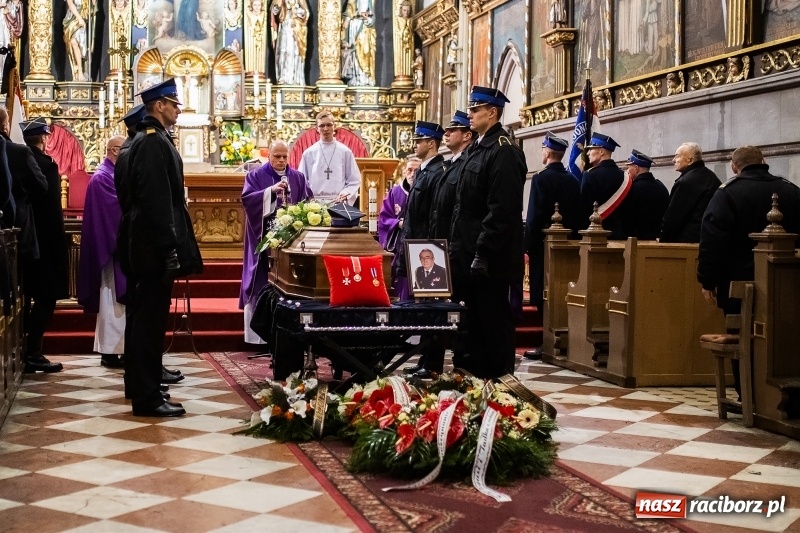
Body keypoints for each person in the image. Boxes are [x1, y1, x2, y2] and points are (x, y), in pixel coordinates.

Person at [117, 78, 203, 417]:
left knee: (143, 319)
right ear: (159, 106)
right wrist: (169, 247)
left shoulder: (141, 141)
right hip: (152, 247)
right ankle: (148, 396)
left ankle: (142, 385)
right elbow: (156, 201)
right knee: (149, 323)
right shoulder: (153, 143)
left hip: (142, 243)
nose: (179, 109)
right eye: (174, 103)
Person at [698, 145, 800, 400]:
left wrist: (707, 281)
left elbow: (712, 240)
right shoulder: (790, 190)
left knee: (741, 335)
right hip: (786, 283)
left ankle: (748, 393)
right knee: (784, 334)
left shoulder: (727, 194)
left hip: (738, 282)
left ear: (734, 166)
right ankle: (783, 396)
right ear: (764, 161)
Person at [450, 86, 527, 379]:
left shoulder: (504, 151)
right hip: (467, 253)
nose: (469, 114)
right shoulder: (478, 148)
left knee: (493, 323)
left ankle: (499, 384)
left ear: (492, 112)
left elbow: (501, 210)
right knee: (472, 325)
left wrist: (482, 253)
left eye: (475, 109)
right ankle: (474, 383)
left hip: (489, 260)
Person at [240, 139, 313, 344]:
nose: (281, 160)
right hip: (263, 237)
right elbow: (247, 200)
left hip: (292, 242)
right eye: (276, 156)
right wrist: (270, 192)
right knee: (261, 279)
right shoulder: (255, 176)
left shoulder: (297, 177)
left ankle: (287, 334)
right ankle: (258, 338)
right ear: (269, 155)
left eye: (284, 156)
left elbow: (308, 203)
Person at [524, 132, 581, 360]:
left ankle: (546, 341)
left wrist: (528, 244)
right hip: (568, 243)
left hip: (544, 244)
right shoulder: (573, 179)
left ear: (547, 153)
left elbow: (535, 214)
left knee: (542, 290)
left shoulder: (540, 178)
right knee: (563, 290)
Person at [21, 118, 68, 374]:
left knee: (28, 297)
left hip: (24, 242)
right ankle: (33, 352)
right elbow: (52, 213)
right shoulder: (46, 166)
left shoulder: (19, 160)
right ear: (45, 138)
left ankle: (26, 349)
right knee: (46, 298)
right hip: (44, 244)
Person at [77, 136, 128, 369]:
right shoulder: (102, 178)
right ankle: (110, 351)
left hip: (117, 250)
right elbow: (115, 211)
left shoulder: (112, 175)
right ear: (115, 151)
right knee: (112, 303)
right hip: (110, 253)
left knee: (119, 306)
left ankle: (120, 349)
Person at [660, 142, 721, 243]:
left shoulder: (686, 181)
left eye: (677, 156)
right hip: (707, 239)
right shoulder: (711, 177)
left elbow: (673, 218)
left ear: (690, 160)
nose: (673, 160)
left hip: (687, 243)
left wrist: (664, 241)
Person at [298, 110, 361, 205]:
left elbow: (354, 180)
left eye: (329, 125)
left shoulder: (345, 152)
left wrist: (345, 194)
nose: (326, 128)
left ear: (334, 126)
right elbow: (301, 180)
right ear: (317, 128)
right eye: (322, 126)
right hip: (314, 204)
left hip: (338, 202)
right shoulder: (309, 153)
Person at [378, 157, 419, 300]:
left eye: (416, 170)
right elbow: (384, 218)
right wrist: (397, 223)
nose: (412, 173)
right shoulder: (395, 192)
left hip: (418, 242)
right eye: (409, 169)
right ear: (403, 172)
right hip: (398, 243)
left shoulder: (424, 189)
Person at [429, 111, 473, 242]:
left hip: (456, 241)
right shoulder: (450, 164)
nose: (446, 134)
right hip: (440, 239)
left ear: (467, 135)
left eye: (452, 130)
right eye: (446, 130)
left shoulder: (467, 164)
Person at [580, 132, 628, 239]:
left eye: (591, 149)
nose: (588, 153)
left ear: (601, 151)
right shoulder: (625, 176)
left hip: (597, 236)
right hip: (621, 236)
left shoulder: (590, 175)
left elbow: (585, 209)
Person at [618, 149, 669, 240]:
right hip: (657, 239)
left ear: (636, 168)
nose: (627, 170)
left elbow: (627, 218)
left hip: (636, 240)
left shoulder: (632, 189)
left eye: (629, 167)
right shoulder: (661, 187)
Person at [271, 0, 308, 85]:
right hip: (284, 26)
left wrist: (297, 12)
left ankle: (294, 79)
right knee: (283, 51)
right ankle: (282, 77)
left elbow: (305, 12)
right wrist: (277, 6)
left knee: (294, 52)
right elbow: (274, 12)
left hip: (295, 29)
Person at [341, 0, 376, 86]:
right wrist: (348, 20)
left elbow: (372, 18)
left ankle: (365, 78)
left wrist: (367, 18)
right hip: (354, 26)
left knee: (365, 51)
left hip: (365, 28)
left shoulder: (370, 1)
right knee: (355, 52)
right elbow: (349, 10)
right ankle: (356, 78)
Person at [63, 0, 88, 81]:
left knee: (79, 44)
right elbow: (70, 3)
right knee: (72, 43)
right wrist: (79, 18)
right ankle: (76, 71)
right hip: (72, 18)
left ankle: (81, 71)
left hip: (83, 15)